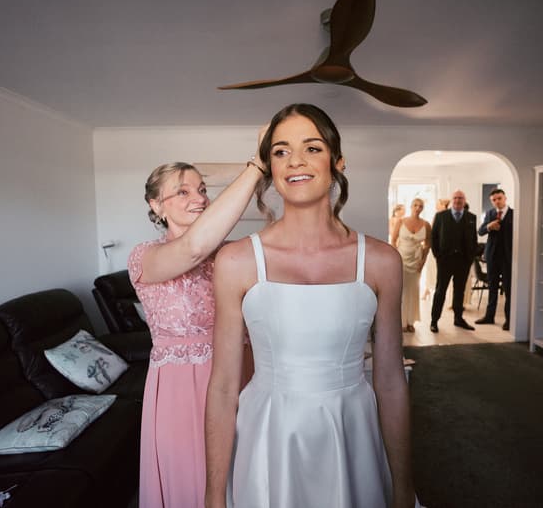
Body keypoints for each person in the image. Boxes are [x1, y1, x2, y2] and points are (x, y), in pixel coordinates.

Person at [205, 104, 415, 508]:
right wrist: (214, 495)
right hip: (267, 434)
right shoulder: (235, 261)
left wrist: (403, 487)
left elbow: (390, 381)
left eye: (312, 148)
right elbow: (223, 386)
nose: (295, 161)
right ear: (268, 166)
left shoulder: (381, 260)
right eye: (281, 151)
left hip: (352, 430)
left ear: (338, 162)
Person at [127, 138, 266, 508]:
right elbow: (192, 249)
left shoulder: (228, 253)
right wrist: (256, 167)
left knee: (246, 472)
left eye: (202, 189)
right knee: (194, 478)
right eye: (183, 191)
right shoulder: (144, 257)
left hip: (241, 373)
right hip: (181, 386)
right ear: (156, 205)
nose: (200, 198)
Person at [429, 189, 478, 333]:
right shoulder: (441, 216)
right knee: (440, 291)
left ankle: (458, 319)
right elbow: (434, 237)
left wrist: (470, 258)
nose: (458, 200)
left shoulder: (471, 217)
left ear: (464, 200)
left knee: (459, 292)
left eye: (460, 198)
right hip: (445, 261)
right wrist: (438, 255)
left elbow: (473, 239)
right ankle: (434, 321)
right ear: (452, 200)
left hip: (463, 261)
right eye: (455, 198)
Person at [476, 188, 513, 330]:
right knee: (492, 287)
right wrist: (489, 226)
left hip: (508, 257)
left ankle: (509, 319)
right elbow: (480, 231)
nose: (497, 201)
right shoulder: (490, 214)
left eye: (499, 198)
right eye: (494, 200)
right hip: (492, 256)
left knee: (509, 289)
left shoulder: (514, 214)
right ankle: (489, 317)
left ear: (505, 198)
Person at [391, 198, 431, 332]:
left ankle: (410, 322)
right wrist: (395, 259)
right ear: (411, 206)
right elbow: (393, 240)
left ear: (423, 208)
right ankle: (400, 322)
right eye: (415, 205)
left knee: (413, 291)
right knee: (401, 290)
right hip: (401, 259)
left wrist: (423, 262)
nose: (417, 208)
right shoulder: (401, 222)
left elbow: (427, 245)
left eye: (420, 206)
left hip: (416, 261)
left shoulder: (426, 225)